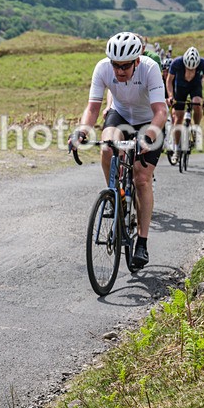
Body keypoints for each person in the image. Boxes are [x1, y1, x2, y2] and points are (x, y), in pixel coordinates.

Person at [69, 31, 167, 268]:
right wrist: (81, 131)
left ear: (136, 61)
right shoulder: (102, 68)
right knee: (107, 147)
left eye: (125, 66)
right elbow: (93, 107)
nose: (120, 71)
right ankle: (117, 196)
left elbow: (160, 112)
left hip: (148, 122)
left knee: (142, 178)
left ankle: (142, 242)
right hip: (120, 115)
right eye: (116, 65)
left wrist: (149, 137)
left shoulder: (150, 68)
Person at [165, 47, 204, 153]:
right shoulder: (176, 62)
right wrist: (171, 96)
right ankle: (177, 146)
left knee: (197, 104)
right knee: (178, 117)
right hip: (180, 87)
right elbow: (169, 80)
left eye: (193, 69)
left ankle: (196, 127)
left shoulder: (202, 63)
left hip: (195, 86)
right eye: (188, 68)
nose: (190, 71)